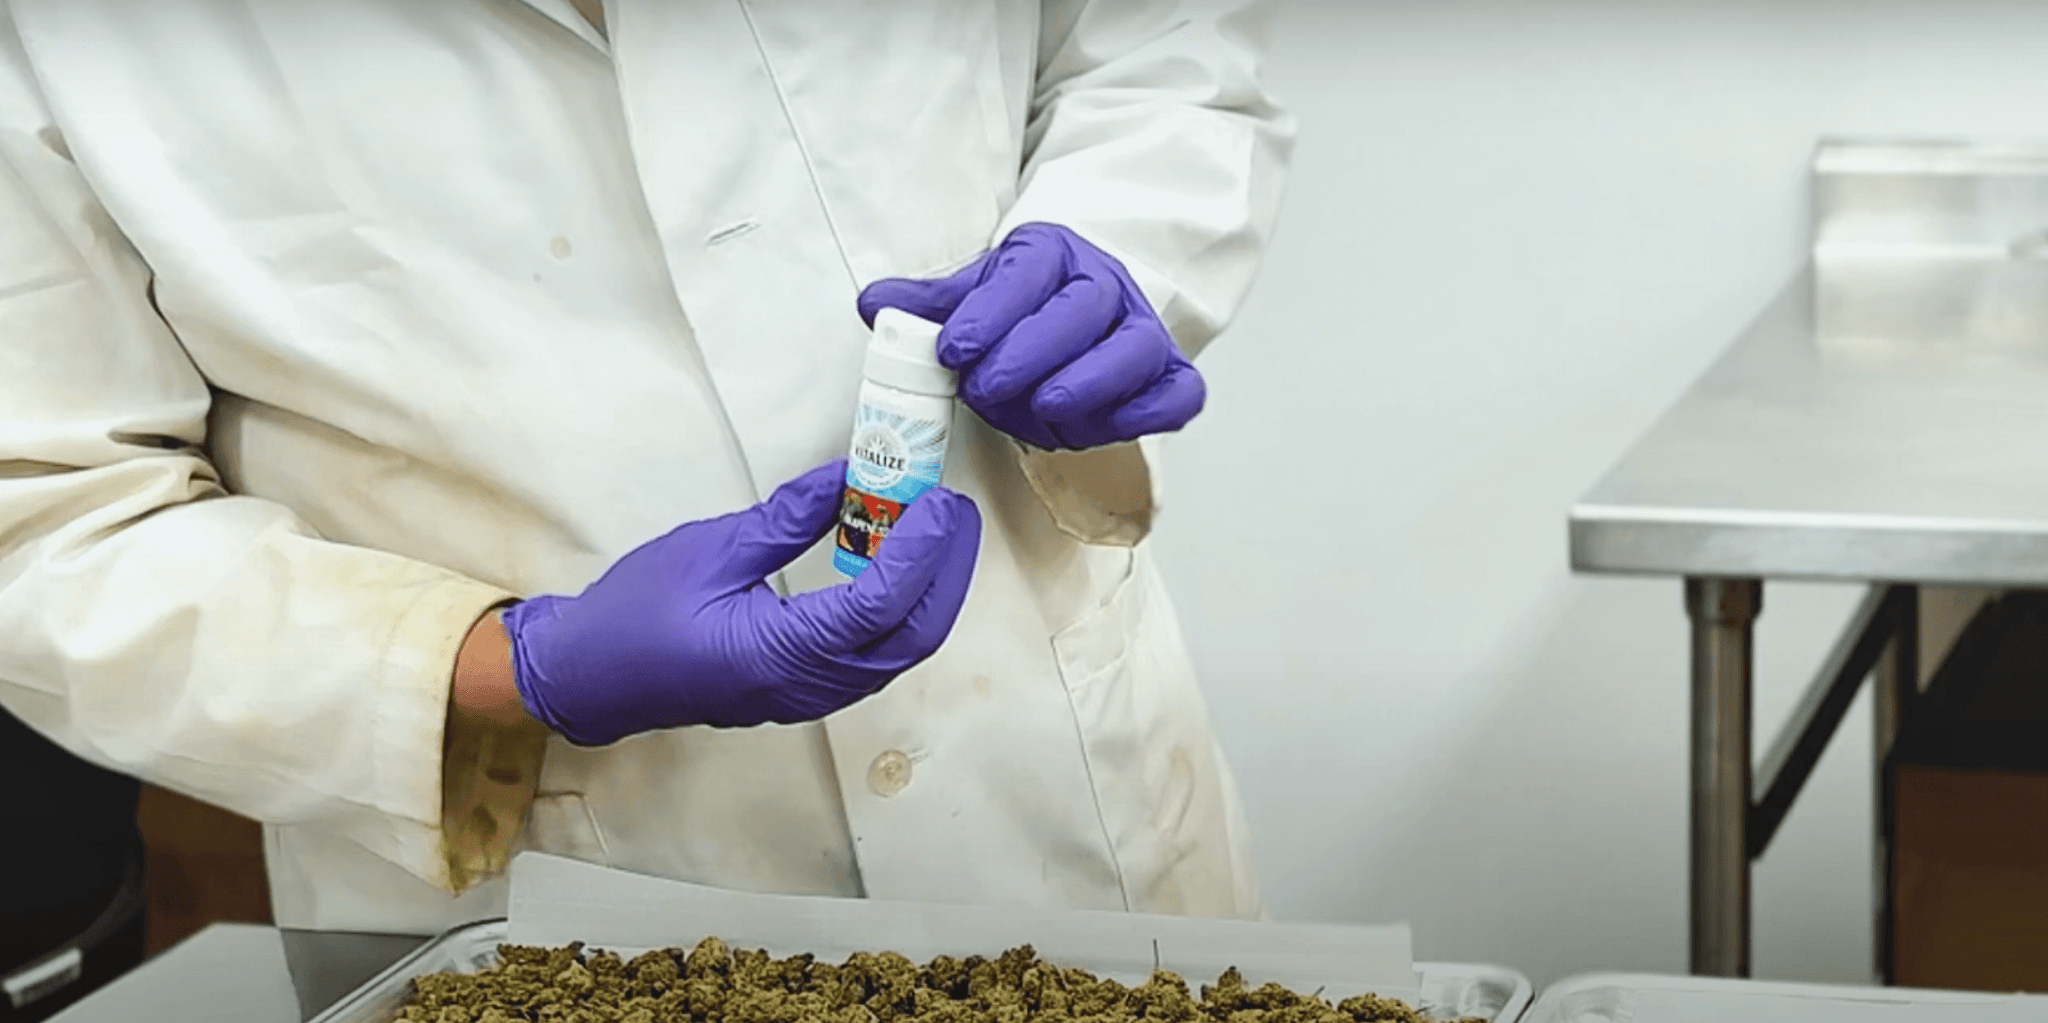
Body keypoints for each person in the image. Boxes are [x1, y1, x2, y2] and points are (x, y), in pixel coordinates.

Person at [0, 0, 1294, 937]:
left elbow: (1162, 46)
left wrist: (1118, 237)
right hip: (551, 881)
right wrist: (514, 663)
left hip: (1070, 795)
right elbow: (44, 522)